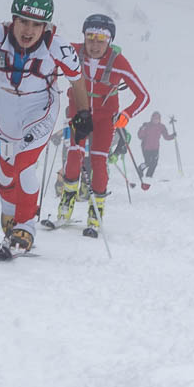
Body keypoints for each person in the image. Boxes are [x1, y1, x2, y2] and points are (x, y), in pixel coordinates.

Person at [0, 0, 90, 259]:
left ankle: (26, 227)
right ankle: (9, 218)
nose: (29, 30)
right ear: (13, 19)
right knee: (5, 172)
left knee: (24, 163)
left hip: (40, 107)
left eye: (36, 24)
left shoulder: (57, 47)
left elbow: (77, 80)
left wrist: (84, 114)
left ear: (46, 26)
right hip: (6, 109)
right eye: (23, 22)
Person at [46, 13, 149, 237]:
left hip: (104, 118)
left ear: (109, 41)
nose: (94, 45)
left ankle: (96, 213)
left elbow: (143, 96)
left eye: (101, 40)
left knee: (99, 161)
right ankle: (65, 207)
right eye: (90, 38)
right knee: (73, 156)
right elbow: (49, 44)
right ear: (83, 37)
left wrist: (127, 115)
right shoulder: (74, 51)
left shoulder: (117, 61)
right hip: (78, 113)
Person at [138, 111, 176, 180]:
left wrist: (173, 136)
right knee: (148, 162)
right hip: (146, 147)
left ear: (159, 119)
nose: (156, 120)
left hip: (155, 148)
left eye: (157, 119)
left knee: (154, 163)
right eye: (154, 118)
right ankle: (140, 168)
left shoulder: (161, 127)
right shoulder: (147, 125)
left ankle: (149, 176)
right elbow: (140, 136)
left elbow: (166, 137)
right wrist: (142, 129)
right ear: (151, 119)